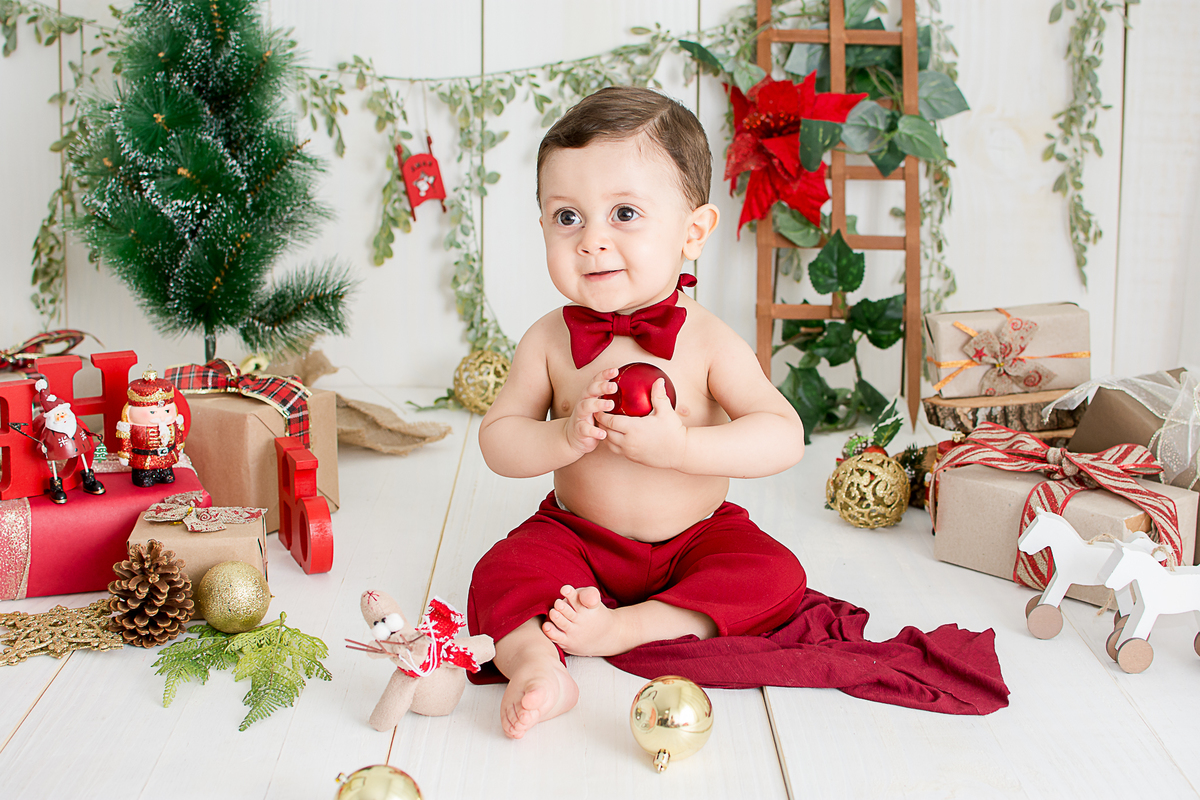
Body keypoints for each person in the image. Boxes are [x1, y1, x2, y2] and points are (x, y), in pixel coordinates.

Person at [468, 86, 808, 740]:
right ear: (542, 226)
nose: (592, 241)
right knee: (499, 574)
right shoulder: (549, 340)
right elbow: (499, 440)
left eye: (624, 213)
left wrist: (682, 449)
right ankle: (538, 665)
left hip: (695, 539)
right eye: (568, 217)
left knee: (774, 575)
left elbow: (782, 435)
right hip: (578, 536)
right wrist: (564, 437)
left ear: (693, 232)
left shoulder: (707, 340)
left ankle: (631, 626)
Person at [115, 369, 187, 487]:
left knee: (168, 475)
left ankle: (165, 473)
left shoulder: (173, 423)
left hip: (166, 457)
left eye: (167, 411)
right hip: (143, 459)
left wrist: (179, 447)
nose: (162, 417)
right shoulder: (130, 428)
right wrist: (125, 455)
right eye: (153, 412)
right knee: (144, 477)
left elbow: (178, 435)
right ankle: (144, 476)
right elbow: (126, 441)